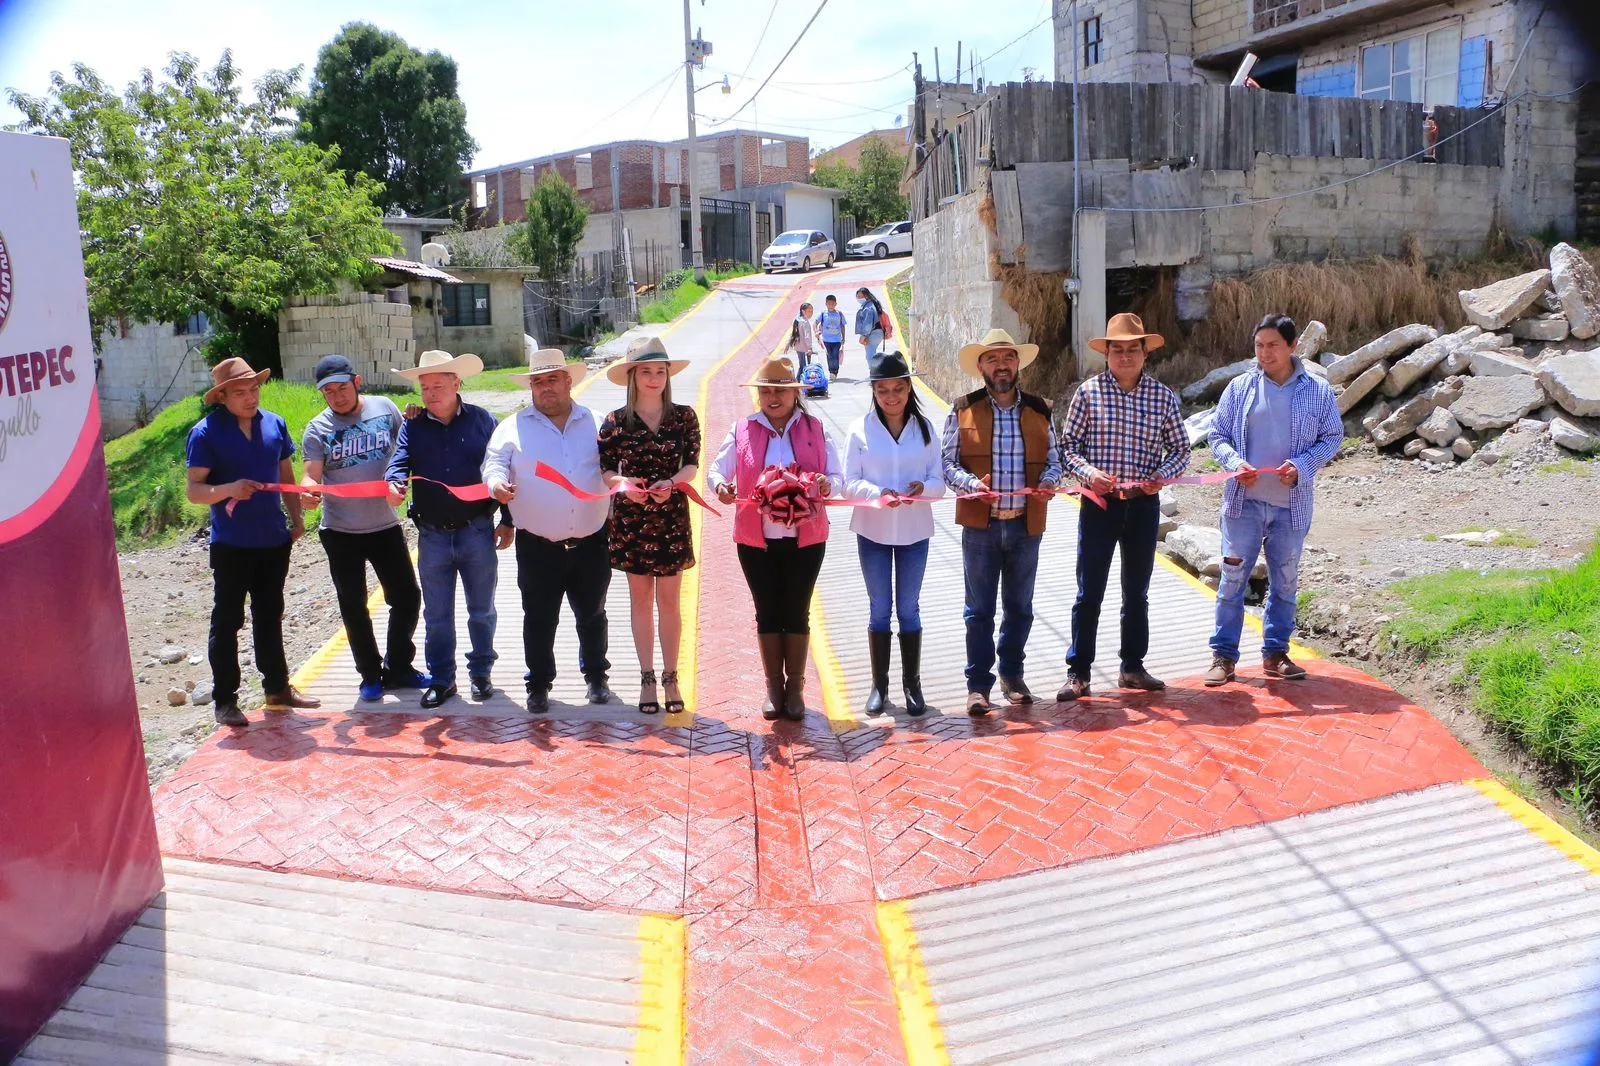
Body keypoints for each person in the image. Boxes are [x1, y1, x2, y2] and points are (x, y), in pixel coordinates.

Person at [1056, 313, 1191, 701]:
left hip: (1143, 506)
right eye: (1118, 349)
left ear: (1145, 353)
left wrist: (1161, 475)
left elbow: (1181, 449)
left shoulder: (1162, 397)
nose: (1126, 356)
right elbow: (1068, 449)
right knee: (1089, 592)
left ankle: (1132, 667)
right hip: (1099, 506)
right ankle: (1078, 672)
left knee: (1137, 592)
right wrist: (1089, 474)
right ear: (1107, 353)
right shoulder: (1088, 394)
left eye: (1134, 349)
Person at [1205, 314, 1342, 686]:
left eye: (1273, 346)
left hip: (1291, 506)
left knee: (1284, 580)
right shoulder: (1239, 388)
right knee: (1233, 579)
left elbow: (1332, 437)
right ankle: (1223, 656)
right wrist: (1235, 464)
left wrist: (1301, 466)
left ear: (1293, 346)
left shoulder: (1317, 390)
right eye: (1259, 346)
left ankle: (1276, 653)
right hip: (1243, 504)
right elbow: (1216, 435)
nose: (1264, 353)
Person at [184, 358, 319, 727]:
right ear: (222, 397)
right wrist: (229, 489)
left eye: (254, 389)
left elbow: (286, 474)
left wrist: (296, 518)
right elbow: (195, 491)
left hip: (273, 539)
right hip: (231, 543)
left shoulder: (274, 423)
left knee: (270, 614)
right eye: (240, 392)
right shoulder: (206, 432)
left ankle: (277, 688)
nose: (250, 398)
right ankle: (225, 700)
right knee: (227, 620)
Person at [708, 357, 844, 721]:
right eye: (766, 390)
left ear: (794, 394)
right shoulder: (742, 429)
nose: (772, 397)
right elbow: (717, 469)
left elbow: (837, 475)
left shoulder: (816, 428)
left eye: (780, 390)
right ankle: (773, 689)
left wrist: (829, 485)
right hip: (756, 539)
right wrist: (721, 485)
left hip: (806, 538)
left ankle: (795, 688)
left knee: (796, 610)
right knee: (767, 611)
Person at [483, 348, 613, 714]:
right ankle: (539, 684)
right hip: (538, 546)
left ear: (569, 381)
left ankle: (596, 678)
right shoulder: (511, 427)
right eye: (537, 382)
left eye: (553, 379)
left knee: (593, 614)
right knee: (539, 618)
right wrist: (496, 486)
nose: (545, 388)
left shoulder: (600, 423)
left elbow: (617, 466)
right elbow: (493, 465)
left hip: (591, 542)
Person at [941, 329, 1063, 716]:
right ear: (981, 367)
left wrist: (1047, 482)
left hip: (1026, 525)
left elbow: (1055, 461)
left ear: (1018, 364)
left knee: (1020, 606)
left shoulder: (1040, 410)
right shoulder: (961, 408)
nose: (1001, 366)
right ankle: (978, 685)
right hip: (981, 527)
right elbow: (947, 463)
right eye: (992, 359)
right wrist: (971, 485)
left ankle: (1012, 675)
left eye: (1007, 358)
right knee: (978, 611)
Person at [385, 349, 515, 710]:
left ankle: (481, 673)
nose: (430, 393)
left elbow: (501, 470)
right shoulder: (412, 426)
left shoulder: (483, 421)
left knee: (482, 609)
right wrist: (393, 483)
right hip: (432, 535)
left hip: (477, 530)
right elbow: (398, 463)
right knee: (437, 613)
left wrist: (508, 519)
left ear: (457, 383)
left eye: (438, 385)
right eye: (425, 387)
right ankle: (442, 679)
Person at [300, 354, 426, 703]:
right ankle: (370, 674)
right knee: (353, 606)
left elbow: (407, 449)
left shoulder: (385, 409)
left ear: (357, 382)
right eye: (328, 392)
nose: (337, 397)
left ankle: (399, 666)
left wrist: (416, 416)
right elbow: (311, 472)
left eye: (342, 388)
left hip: (385, 525)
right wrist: (308, 490)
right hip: (340, 531)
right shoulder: (318, 428)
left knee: (407, 598)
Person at [597, 338, 700, 715]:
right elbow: (606, 469)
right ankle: (647, 677)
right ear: (632, 376)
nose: (654, 378)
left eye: (660, 371)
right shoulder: (614, 421)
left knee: (670, 601)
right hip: (632, 519)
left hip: (671, 515)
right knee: (640, 601)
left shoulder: (684, 416)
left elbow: (692, 463)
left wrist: (671, 483)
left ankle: (671, 676)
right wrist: (625, 488)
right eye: (646, 371)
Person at [843, 352, 944, 716]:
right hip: (873, 530)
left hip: (915, 530)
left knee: (909, 608)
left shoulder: (927, 429)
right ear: (873, 390)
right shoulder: (859, 429)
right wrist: (877, 495)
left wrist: (923, 488)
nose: (891, 397)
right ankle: (879, 685)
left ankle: (912, 684)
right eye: (883, 390)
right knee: (880, 609)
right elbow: (848, 484)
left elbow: (939, 481)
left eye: (898, 389)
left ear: (908, 388)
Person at [815, 294, 848, 376]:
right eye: (829, 303)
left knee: (835, 355)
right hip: (826, 340)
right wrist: (816, 332)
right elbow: (815, 323)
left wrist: (843, 338)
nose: (831, 305)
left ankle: (835, 371)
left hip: (837, 340)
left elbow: (842, 326)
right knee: (829, 356)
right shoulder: (823, 314)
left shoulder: (839, 314)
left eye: (832, 303)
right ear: (826, 304)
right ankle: (831, 371)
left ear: (836, 304)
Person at [855, 287, 887, 371]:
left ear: (866, 296)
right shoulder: (872, 305)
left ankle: (875, 375)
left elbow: (868, 323)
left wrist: (863, 335)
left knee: (870, 356)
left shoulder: (868, 307)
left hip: (872, 333)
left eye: (860, 296)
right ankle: (876, 374)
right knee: (871, 354)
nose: (858, 298)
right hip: (878, 333)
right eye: (857, 296)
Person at [789, 302, 817, 370]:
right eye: (809, 311)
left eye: (812, 311)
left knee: (802, 365)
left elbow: (793, 333)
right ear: (803, 311)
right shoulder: (805, 322)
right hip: (803, 347)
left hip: (798, 346)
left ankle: (798, 379)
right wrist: (809, 348)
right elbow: (807, 337)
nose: (811, 313)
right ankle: (798, 379)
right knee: (803, 367)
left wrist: (789, 343)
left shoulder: (798, 319)